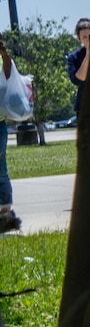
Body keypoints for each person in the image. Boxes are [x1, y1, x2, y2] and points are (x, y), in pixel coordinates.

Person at [0, 39, 20, 233]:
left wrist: (4, 53)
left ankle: (6, 215)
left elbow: (8, 76)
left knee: (1, 168)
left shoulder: (2, 59)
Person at [63, 17, 90, 121]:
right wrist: (88, 56)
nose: (88, 40)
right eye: (84, 37)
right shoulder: (73, 57)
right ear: (79, 39)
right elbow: (78, 80)